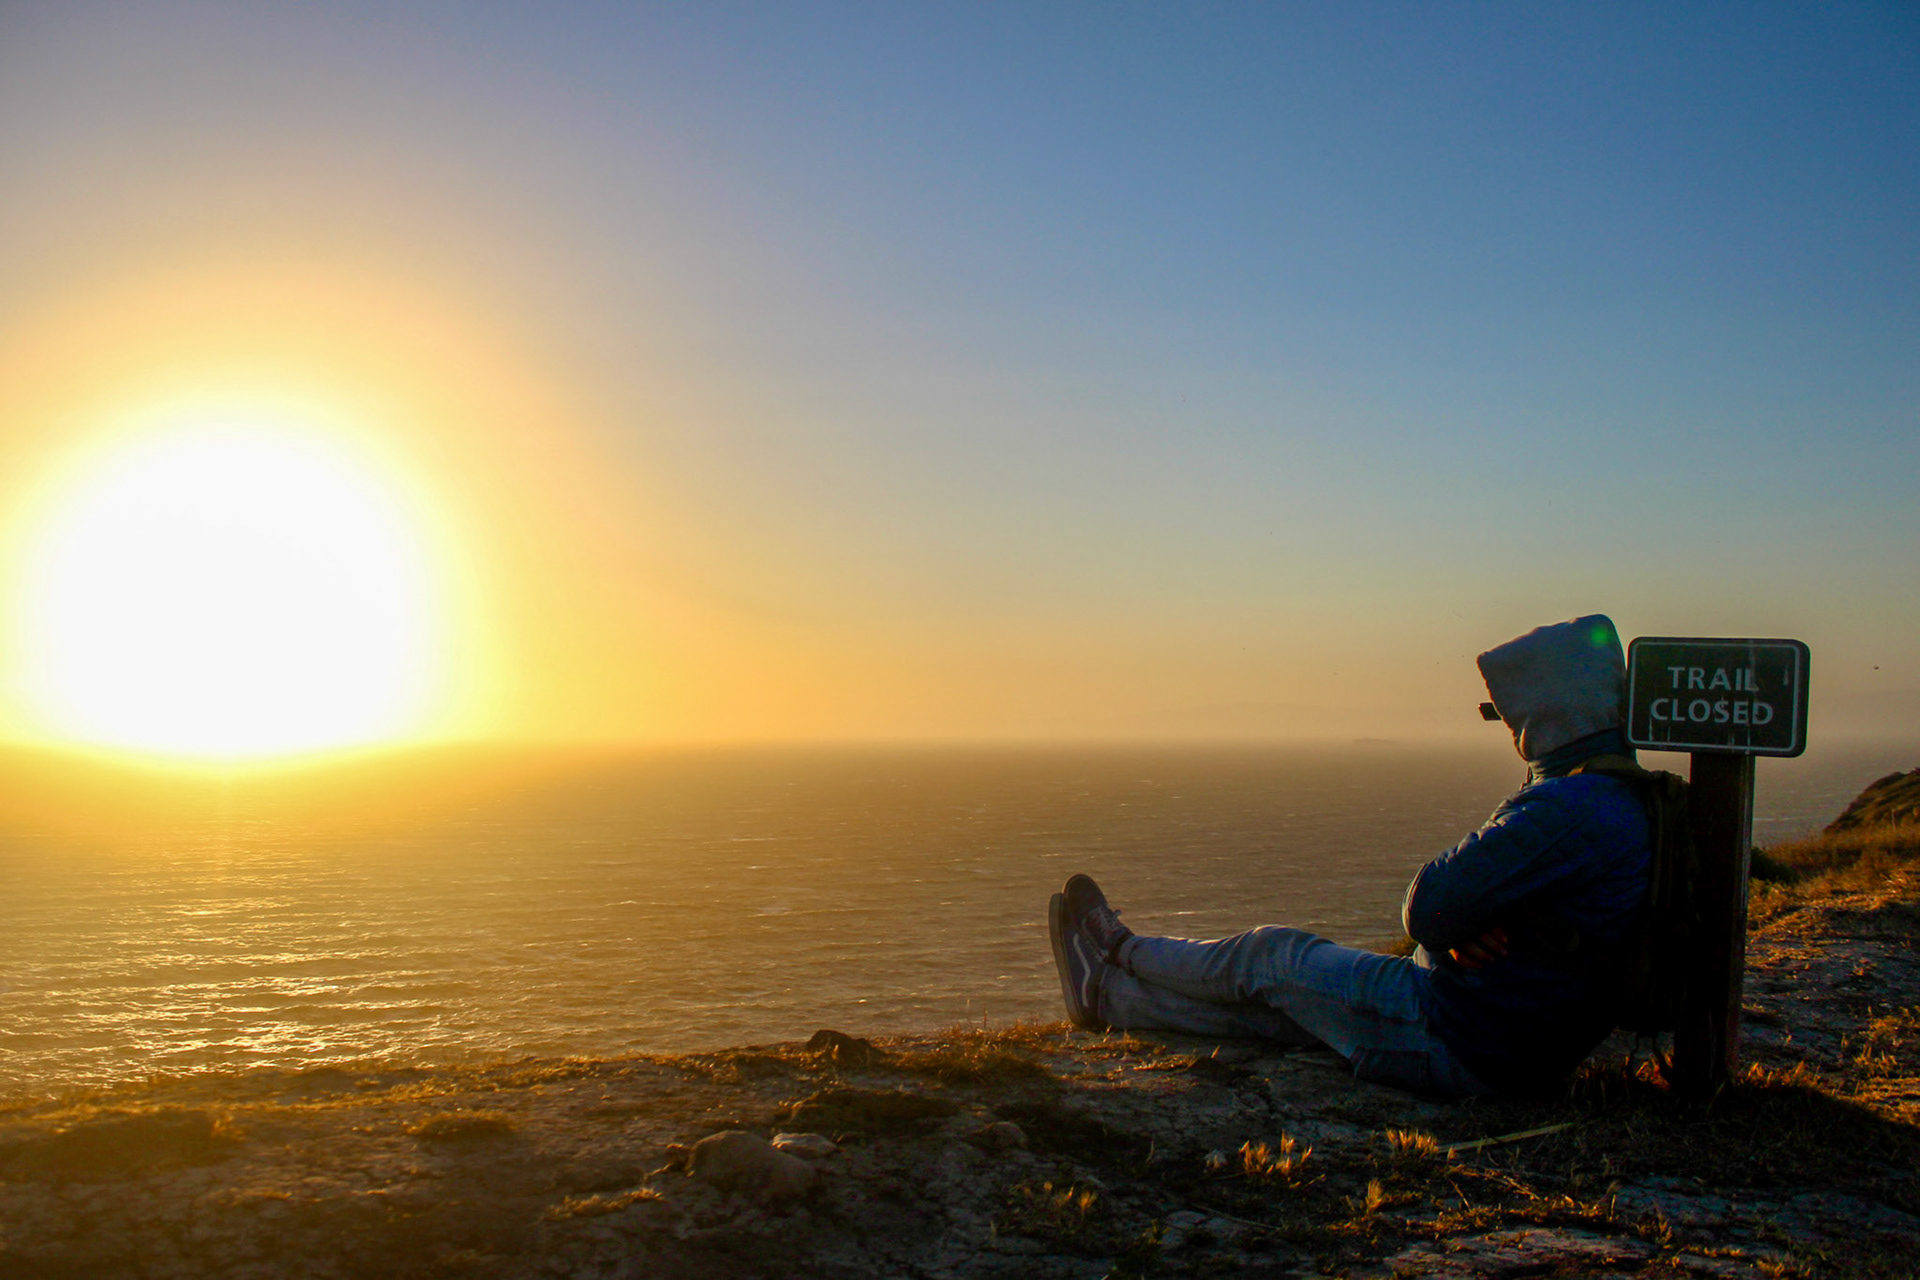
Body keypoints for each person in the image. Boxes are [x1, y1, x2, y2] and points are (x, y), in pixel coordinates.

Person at [1048, 614, 1652, 1097]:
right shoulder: (1615, 793)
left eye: (1509, 717)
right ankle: (1105, 995)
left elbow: (1428, 907)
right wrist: (1470, 927)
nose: (1509, 732)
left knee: (1272, 957)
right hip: (1516, 1043)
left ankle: (1119, 948)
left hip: (1462, 1033)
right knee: (1290, 1014)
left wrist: (1454, 928)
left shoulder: (1567, 806)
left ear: (1545, 716)